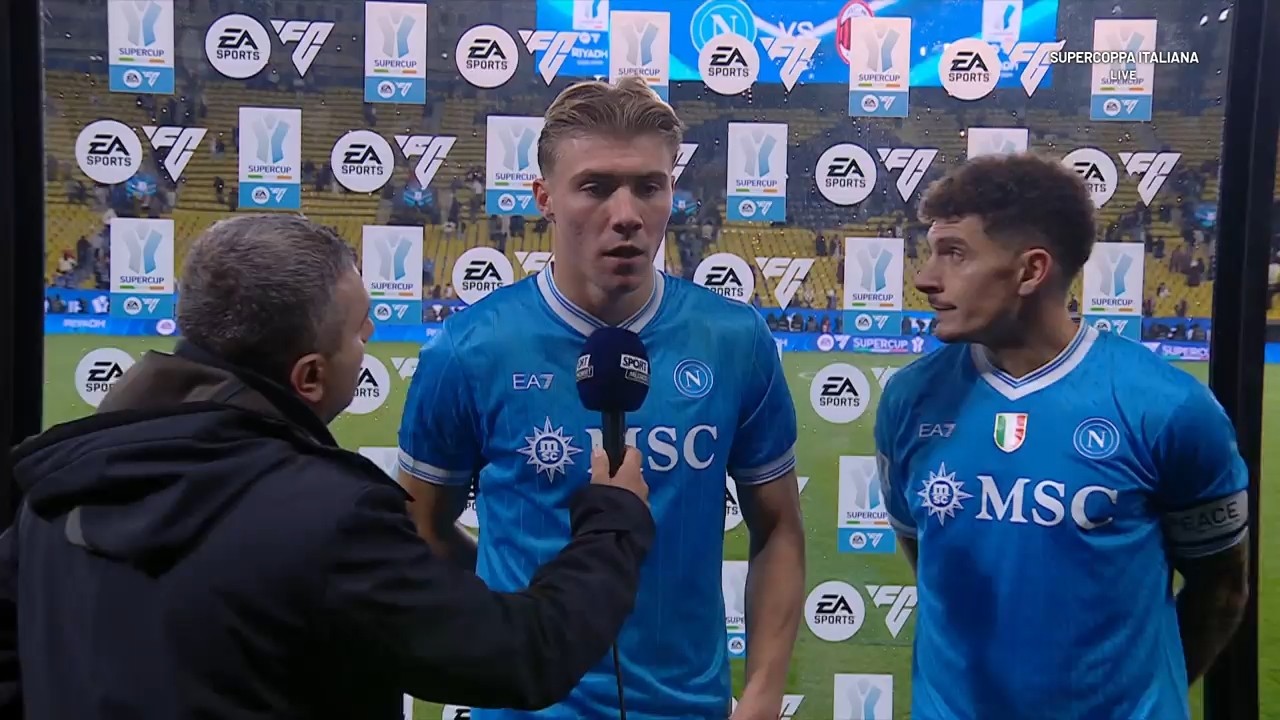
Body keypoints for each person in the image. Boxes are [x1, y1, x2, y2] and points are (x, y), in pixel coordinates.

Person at [0, 215, 656, 719]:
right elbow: (522, 657)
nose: (368, 344)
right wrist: (612, 522)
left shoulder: (53, 495)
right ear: (309, 377)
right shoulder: (326, 518)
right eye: (361, 331)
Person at [397, 77, 805, 720]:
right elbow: (421, 528)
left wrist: (761, 696)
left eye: (649, 186)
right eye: (595, 187)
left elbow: (778, 526)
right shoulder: (469, 349)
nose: (626, 214)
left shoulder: (735, 340)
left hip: (688, 709)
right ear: (545, 198)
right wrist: (520, 616)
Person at [875, 152, 1250, 719]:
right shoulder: (909, 400)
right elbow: (928, 557)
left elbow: (1220, 590)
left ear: (1031, 271)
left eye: (955, 254)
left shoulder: (1168, 408)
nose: (925, 278)